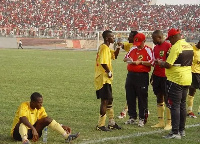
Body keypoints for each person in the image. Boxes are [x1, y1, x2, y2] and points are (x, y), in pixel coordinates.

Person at [156, 28, 193, 139]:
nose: (169, 42)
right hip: (187, 78)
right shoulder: (188, 45)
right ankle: (182, 130)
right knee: (182, 105)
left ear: (173, 37)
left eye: (170, 39)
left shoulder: (176, 47)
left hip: (176, 79)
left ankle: (175, 132)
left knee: (174, 105)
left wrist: (160, 62)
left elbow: (168, 64)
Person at [11, 92, 79, 144]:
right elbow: (23, 119)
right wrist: (33, 129)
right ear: (33, 102)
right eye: (39, 103)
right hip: (18, 134)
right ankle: (25, 141)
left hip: (32, 133)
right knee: (22, 123)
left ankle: (66, 136)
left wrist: (61, 126)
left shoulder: (40, 108)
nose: (41, 104)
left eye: (41, 102)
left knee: (47, 119)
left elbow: (48, 121)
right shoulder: (24, 105)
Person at [123, 33, 154, 127]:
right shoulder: (133, 48)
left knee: (142, 97)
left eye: (139, 43)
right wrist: (129, 59)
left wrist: (140, 62)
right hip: (131, 75)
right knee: (130, 96)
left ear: (144, 41)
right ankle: (132, 117)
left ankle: (142, 118)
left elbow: (152, 62)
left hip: (142, 76)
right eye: (136, 42)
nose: (138, 45)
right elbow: (125, 58)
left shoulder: (148, 50)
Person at [95, 30, 121, 131]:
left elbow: (114, 56)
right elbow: (103, 62)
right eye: (112, 37)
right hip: (103, 78)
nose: (113, 38)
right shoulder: (104, 48)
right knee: (105, 100)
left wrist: (118, 47)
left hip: (106, 79)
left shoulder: (106, 48)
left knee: (109, 99)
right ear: (107, 38)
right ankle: (100, 125)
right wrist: (109, 71)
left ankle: (111, 123)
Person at [151, 30, 172, 130]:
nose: (153, 40)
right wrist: (152, 75)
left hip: (166, 76)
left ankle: (169, 123)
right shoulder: (155, 48)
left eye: (154, 38)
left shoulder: (168, 46)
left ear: (159, 37)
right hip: (157, 75)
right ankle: (160, 122)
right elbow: (155, 62)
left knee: (168, 98)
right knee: (159, 97)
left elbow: (171, 61)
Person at [117, 31, 138, 119]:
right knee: (131, 93)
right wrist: (119, 44)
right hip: (131, 73)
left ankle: (125, 111)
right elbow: (123, 46)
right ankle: (126, 111)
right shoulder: (130, 46)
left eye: (130, 36)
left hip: (139, 74)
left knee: (136, 93)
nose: (128, 38)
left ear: (134, 38)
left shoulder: (139, 47)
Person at [186, 40, 200, 118]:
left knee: (192, 91)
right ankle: (189, 111)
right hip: (193, 73)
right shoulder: (192, 49)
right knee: (192, 91)